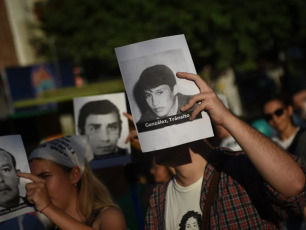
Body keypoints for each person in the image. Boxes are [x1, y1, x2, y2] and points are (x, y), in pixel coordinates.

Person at [126, 72, 305, 229]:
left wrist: (227, 118)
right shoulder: (158, 201)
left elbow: (295, 186)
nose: (152, 108)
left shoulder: (239, 171)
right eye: (147, 97)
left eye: (159, 93)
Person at [18, 136, 126, 230]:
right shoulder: (45, 226)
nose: (39, 185)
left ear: (74, 175)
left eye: (45, 176)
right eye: (33, 180)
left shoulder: (108, 216)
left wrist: (47, 208)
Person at [263, 95, 306, 164]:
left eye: (279, 112)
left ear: (290, 110)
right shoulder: (270, 146)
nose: (275, 119)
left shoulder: (304, 137)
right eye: (269, 117)